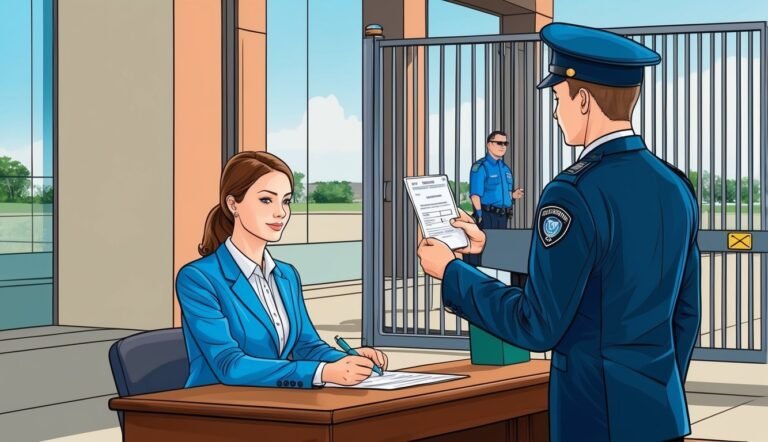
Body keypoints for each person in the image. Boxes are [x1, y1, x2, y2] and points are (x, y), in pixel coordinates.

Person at [417, 23, 700, 442]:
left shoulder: (572, 191)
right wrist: (484, 247)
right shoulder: (675, 186)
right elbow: (686, 312)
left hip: (595, 418)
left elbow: (537, 324)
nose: (555, 112)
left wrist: (453, 273)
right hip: (661, 414)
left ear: (582, 100)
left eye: (557, 99)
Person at [176, 151, 388, 389]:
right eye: (267, 200)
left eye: (286, 201)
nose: (281, 212)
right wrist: (323, 372)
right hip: (214, 406)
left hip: (274, 401)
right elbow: (229, 365)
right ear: (233, 204)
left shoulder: (286, 275)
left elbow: (306, 346)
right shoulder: (199, 278)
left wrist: (348, 360)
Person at [464, 131, 524, 266]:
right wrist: (479, 214)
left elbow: (501, 194)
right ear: (488, 145)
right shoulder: (481, 167)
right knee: (485, 251)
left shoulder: (505, 169)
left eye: (505, 143)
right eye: (499, 143)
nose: (503, 146)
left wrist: (513, 195)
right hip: (486, 215)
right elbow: (475, 194)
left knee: (498, 251)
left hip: (502, 216)